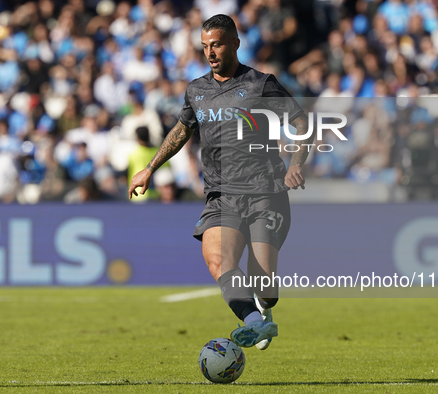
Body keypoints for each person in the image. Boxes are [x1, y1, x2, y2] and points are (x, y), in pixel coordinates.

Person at [129, 14, 310, 350]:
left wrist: (295, 163)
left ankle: (263, 310)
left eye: (216, 45)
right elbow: (182, 129)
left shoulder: (261, 84)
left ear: (235, 44)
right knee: (217, 260)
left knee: (264, 288)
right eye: (205, 46)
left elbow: (301, 123)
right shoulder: (197, 90)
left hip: (264, 193)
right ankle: (254, 323)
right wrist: (151, 167)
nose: (210, 52)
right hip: (221, 195)